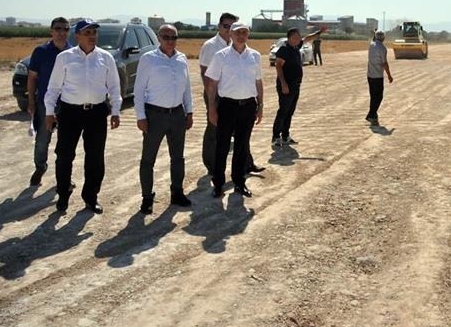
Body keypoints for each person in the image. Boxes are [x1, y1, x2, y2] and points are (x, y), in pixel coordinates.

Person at [45, 19, 122, 214]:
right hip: (70, 112)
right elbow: (54, 87)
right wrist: (49, 112)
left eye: (94, 33)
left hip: (96, 113)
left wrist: (115, 111)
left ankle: (91, 197)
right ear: (77, 36)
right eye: (87, 33)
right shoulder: (65, 58)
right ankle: (63, 195)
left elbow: (114, 87)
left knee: (95, 157)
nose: (92, 36)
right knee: (64, 156)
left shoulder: (106, 58)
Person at [133, 24, 194, 215]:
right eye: (166, 37)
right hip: (154, 116)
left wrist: (189, 112)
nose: (170, 41)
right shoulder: (148, 59)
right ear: (158, 38)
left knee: (178, 158)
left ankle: (177, 193)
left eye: (173, 37)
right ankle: (147, 198)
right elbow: (138, 91)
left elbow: (187, 88)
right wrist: (141, 116)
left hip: (177, 115)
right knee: (148, 159)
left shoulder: (182, 59)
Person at [199, 13, 263, 176]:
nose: (229, 30)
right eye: (226, 26)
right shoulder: (211, 46)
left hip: (238, 97)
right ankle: (212, 166)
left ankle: (247, 164)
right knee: (215, 131)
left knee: (242, 132)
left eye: (232, 27)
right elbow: (206, 74)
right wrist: (211, 102)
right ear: (219, 27)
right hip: (218, 96)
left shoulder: (241, 46)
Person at [27, 17, 72, 187]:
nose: (61, 32)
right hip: (45, 104)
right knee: (42, 140)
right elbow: (32, 77)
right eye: (58, 28)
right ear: (51, 31)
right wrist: (31, 100)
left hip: (68, 104)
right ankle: (40, 168)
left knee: (66, 143)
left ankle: (64, 176)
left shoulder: (73, 53)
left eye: (65, 29)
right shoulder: (40, 51)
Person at [271, 26, 326, 147]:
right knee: (283, 111)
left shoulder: (296, 46)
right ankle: (275, 137)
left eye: (298, 37)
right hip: (286, 85)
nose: (298, 39)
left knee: (290, 111)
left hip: (296, 85)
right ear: (289, 38)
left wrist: (320, 32)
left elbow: (308, 38)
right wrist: (283, 83)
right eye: (295, 37)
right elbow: (278, 66)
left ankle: (285, 136)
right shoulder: (284, 49)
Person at [366, 30, 393, 125]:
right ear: (384, 38)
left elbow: (374, 40)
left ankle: (373, 115)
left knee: (373, 96)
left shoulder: (371, 45)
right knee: (379, 96)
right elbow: (384, 63)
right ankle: (372, 115)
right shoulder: (382, 48)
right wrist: (389, 75)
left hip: (370, 75)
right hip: (377, 75)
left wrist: (374, 33)